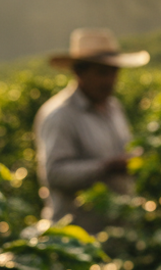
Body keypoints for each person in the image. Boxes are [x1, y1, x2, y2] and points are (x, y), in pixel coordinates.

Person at [34, 27, 149, 235]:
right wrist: (106, 167)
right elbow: (55, 174)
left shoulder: (113, 108)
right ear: (79, 72)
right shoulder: (59, 115)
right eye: (102, 73)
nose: (110, 80)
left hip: (118, 231)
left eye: (114, 72)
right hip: (78, 236)